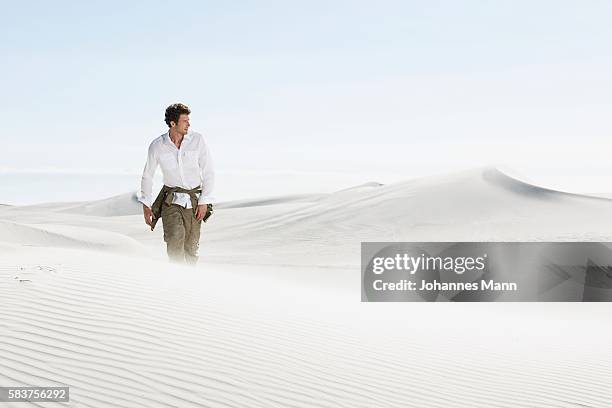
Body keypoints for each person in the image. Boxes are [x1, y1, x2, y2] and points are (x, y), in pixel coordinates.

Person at [138, 103, 215, 264]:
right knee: (174, 240)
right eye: (185, 121)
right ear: (173, 123)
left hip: (194, 201)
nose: (189, 124)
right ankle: (176, 281)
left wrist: (204, 201)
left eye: (189, 120)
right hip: (170, 201)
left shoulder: (197, 140)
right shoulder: (157, 145)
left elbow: (208, 171)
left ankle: (190, 282)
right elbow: (148, 176)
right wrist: (146, 204)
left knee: (191, 247)